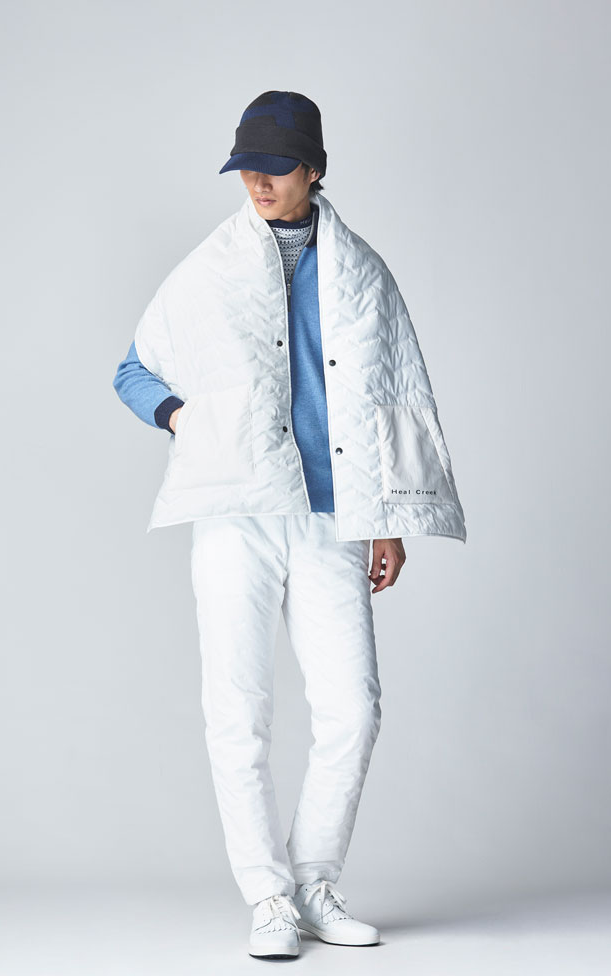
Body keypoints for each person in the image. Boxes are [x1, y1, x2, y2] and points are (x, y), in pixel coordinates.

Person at [113, 90, 467, 960]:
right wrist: (184, 420)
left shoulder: (364, 272)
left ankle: (313, 883)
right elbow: (134, 369)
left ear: (313, 168)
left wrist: (389, 518)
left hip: (333, 517)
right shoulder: (208, 268)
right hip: (237, 511)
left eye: (275, 167)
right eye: (246, 169)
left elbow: (395, 397)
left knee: (353, 707)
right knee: (238, 710)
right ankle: (268, 899)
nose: (258, 183)